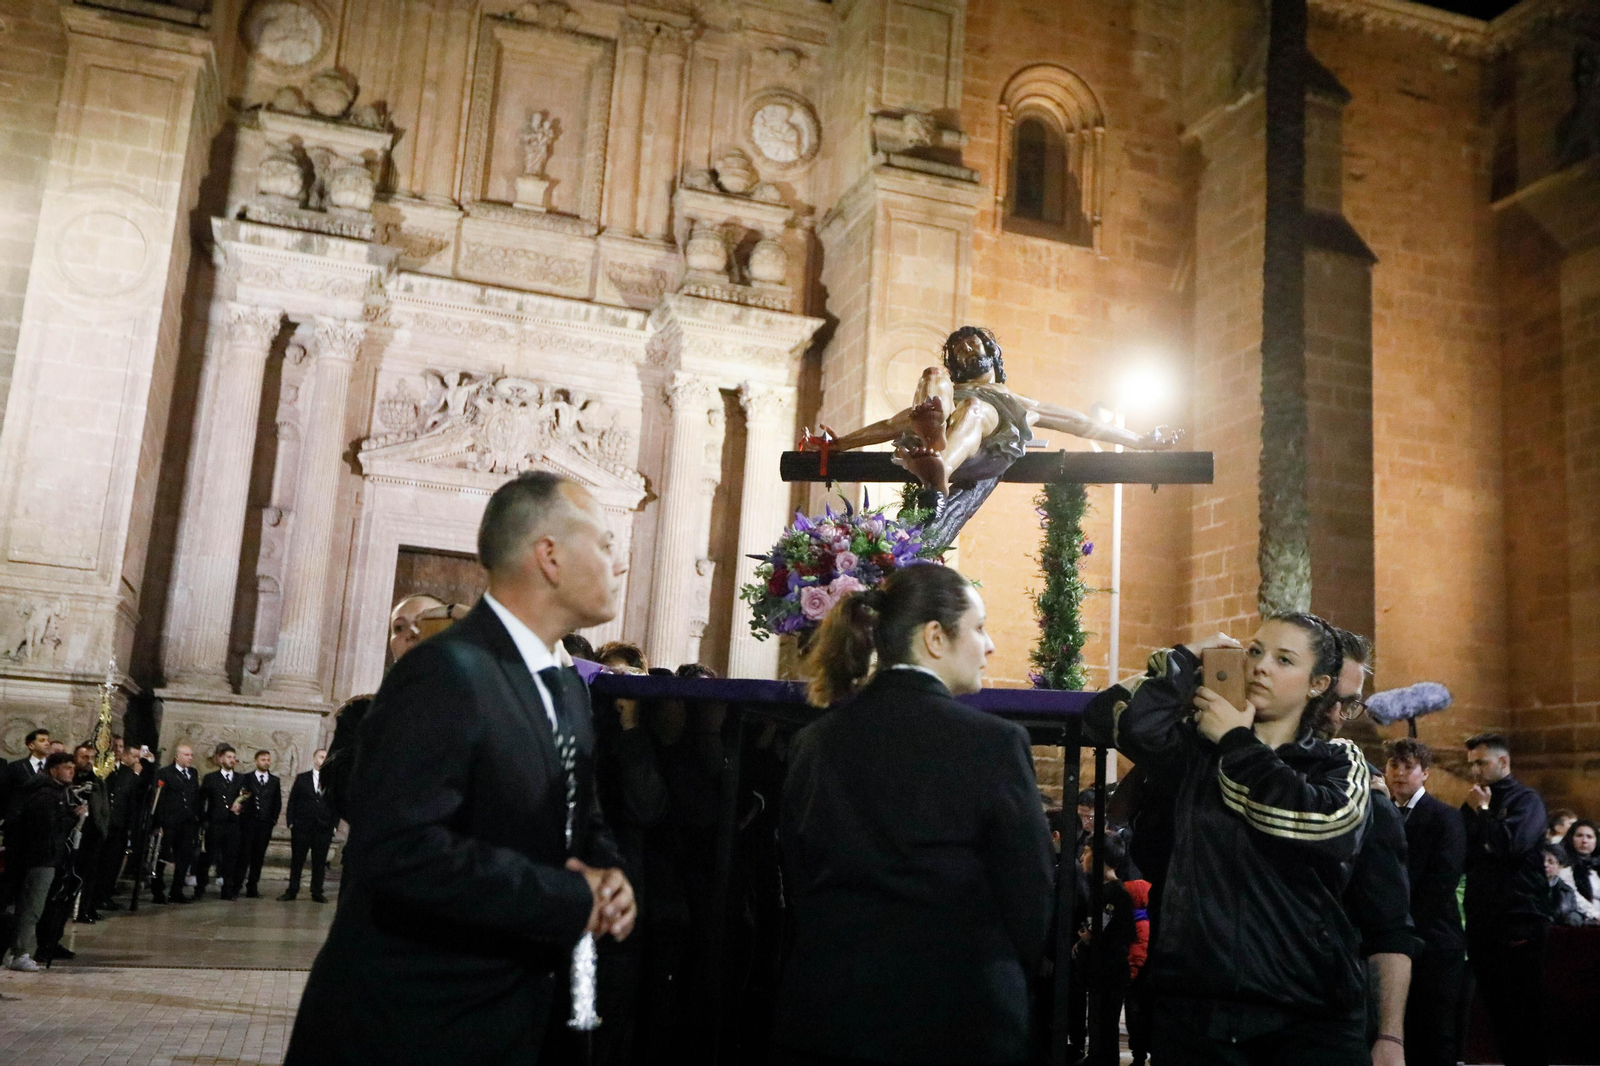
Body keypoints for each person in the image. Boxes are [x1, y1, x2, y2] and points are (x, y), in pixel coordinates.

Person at [286, 470, 636, 1065]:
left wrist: (610, 875)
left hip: (513, 1017)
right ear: (548, 556)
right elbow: (402, 849)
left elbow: (580, 814)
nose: (618, 564)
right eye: (604, 543)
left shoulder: (569, 688)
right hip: (417, 1024)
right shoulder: (445, 672)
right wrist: (569, 897)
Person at [773, 564, 1054, 1065]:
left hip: (832, 1016)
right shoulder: (994, 743)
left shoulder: (814, 741)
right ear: (935, 638)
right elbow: (1030, 896)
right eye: (979, 627)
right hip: (958, 1019)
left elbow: (797, 872)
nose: (989, 646)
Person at [1097, 614, 1373, 1065]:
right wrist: (1186, 659)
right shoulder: (1195, 751)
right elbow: (1115, 717)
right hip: (1195, 1013)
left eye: (1284, 660)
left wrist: (1236, 742)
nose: (1261, 666)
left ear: (1318, 684)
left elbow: (1322, 824)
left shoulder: (1336, 760)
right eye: (1255, 651)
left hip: (1306, 1018)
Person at [1326, 630, 1417, 1066]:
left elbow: (1389, 924)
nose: (1336, 715)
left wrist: (1390, 1037)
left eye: (1349, 703)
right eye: (1328, 693)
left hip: (1326, 1019)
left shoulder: (1367, 795)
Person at [1460, 732, 1549, 1066]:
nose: (1475, 771)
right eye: (1471, 765)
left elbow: (1510, 846)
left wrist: (1484, 815)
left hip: (1520, 916)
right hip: (1484, 921)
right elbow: (1467, 854)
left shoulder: (1527, 801)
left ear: (1503, 762)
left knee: (1525, 1011)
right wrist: (1482, 822)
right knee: (1497, 1011)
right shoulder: (1473, 803)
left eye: (1481, 763)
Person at [1384, 737, 1468, 1066]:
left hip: (1432, 940)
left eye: (1409, 767)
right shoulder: (1380, 811)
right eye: (1394, 765)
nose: (1400, 773)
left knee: (1433, 1033)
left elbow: (1443, 879)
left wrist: (1405, 925)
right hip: (1390, 939)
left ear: (1425, 774)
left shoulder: (1445, 817)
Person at [4, 752, 83, 972]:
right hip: (40, 858)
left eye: (72, 768)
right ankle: (20, 952)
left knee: (30, 906)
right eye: (67, 767)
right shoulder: (45, 794)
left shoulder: (50, 791)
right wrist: (72, 816)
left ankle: (17, 950)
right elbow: (48, 828)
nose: (71, 772)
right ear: (53, 769)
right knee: (32, 907)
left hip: (42, 856)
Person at [95, 745, 148, 911]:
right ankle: (98, 895)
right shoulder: (110, 771)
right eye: (134, 757)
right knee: (102, 863)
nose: (136, 761)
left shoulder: (127, 773)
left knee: (113, 864)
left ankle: (105, 894)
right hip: (107, 823)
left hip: (121, 826)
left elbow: (135, 796)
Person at [281, 749, 337, 903]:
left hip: (323, 828)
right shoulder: (302, 778)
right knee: (297, 860)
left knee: (319, 863)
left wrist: (334, 825)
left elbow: (336, 804)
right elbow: (293, 801)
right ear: (314, 759)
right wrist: (291, 822)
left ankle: (317, 891)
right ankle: (292, 890)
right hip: (302, 827)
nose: (323, 760)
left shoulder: (333, 781)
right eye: (321, 757)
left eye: (326, 758)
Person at [152, 744, 200, 904]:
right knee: (162, 857)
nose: (190, 758)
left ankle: (176, 891)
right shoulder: (165, 773)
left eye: (191, 755)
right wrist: (159, 823)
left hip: (187, 824)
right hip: (170, 822)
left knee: (184, 858)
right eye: (186, 755)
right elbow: (160, 799)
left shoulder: (193, 774)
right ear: (177, 756)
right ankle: (157, 891)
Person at [199, 745, 247, 901]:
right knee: (208, 857)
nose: (232, 760)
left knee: (230, 858)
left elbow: (247, 799)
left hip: (233, 824)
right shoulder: (210, 778)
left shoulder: (241, 778)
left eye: (233, 757)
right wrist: (205, 820)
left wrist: (241, 807)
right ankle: (200, 888)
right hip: (215, 823)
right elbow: (202, 801)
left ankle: (227, 890)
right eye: (228, 757)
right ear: (220, 759)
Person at [70, 743, 110, 923]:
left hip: (92, 834)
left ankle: (86, 908)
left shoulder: (98, 782)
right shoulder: (71, 780)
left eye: (91, 758)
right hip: (72, 834)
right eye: (84, 757)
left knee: (90, 874)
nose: (88, 762)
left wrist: (102, 828)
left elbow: (104, 808)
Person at [240, 750, 282, 898]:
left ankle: (252, 886)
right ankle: (237, 884)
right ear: (256, 761)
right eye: (263, 759)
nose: (266, 762)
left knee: (258, 857)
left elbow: (277, 802)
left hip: (265, 824)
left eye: (268, 760)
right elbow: (241, 799)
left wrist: (272, 819)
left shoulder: (275, 781)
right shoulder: (246, 778)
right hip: (249, 823)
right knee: (244, 855)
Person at [1541, 845, 1596, 926]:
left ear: (1560, 867)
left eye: (1551, 862)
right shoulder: (1527, 886)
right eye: (1542, 861)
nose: (1545, 865)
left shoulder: (1567, 891)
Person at [1561, 818, 1599, 909]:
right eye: (1579, 835)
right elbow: (1574, 897)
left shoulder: (1596, 864)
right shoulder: (1563, 865)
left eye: (1589, 837)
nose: (1584, 841)